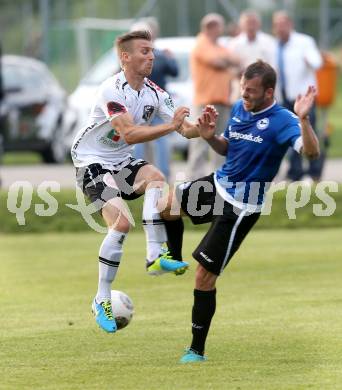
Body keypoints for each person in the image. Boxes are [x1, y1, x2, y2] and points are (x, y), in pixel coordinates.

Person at [160, 60, 320, 362]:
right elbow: (227, 149)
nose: (244, 95)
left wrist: (305, 120)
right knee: (166, 206)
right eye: (243, 89)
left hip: (241, 206)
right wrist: (209, 136)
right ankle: (172, 259)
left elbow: (311, 152)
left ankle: (196, 349)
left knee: (204, 277)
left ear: (269, 92)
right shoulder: (238, 108)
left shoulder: (284, 120)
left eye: (251, 92)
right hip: (220, 185)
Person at [71, 30, 203, 334]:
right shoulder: (111, 90)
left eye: (152, 51)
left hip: (121, 161)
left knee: (157, 178)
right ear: (125, 57)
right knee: (120, 224)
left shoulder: (154, 92)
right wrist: (170, 126)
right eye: (144, 51)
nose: (151, 56)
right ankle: (101, 299)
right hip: (91, 161)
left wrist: (203, 129)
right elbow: (129, 133)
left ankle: (155, 255)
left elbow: (185, 129)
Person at [186, 13, 240, 180]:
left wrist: (227, 62)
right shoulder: (201, 43)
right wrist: (227, 63)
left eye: (217, 25)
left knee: (220, 141)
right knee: (200, 141)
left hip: (222, 101)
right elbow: (217, 62)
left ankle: (217, 178)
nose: (215, 29)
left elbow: (236, 61)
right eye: (212, 26)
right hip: (205, 101)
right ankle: (193, 179)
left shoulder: (220, 46)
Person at [272, 11, 323, 182]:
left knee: (310, 132)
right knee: (290, 134)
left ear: (290, 25)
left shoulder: (303, 42)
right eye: (277, 25)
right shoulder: (274, 45)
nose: (280, 28)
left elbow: (317, 61)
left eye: (283, 24)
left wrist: (309, 60)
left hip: (303, 99)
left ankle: (314, 172)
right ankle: (295, 172)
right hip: (284, 97)